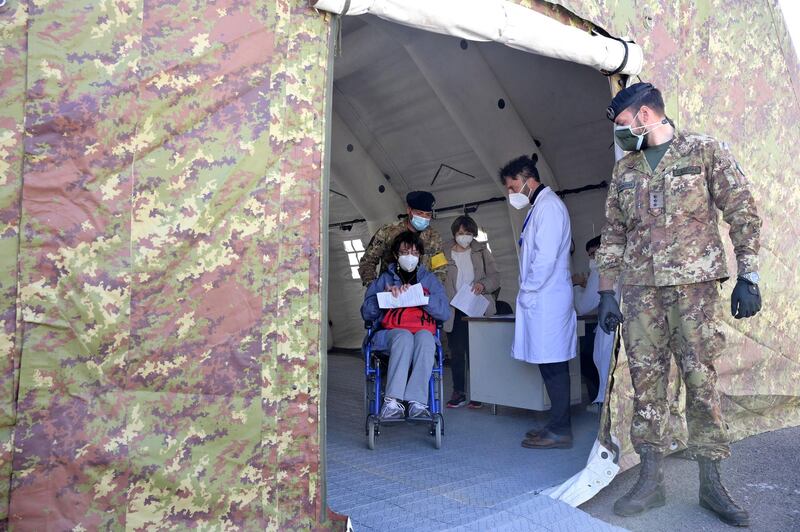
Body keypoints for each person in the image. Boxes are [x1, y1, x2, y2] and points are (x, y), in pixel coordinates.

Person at [597, 82, 762, 526]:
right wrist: (606, 292)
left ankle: (712, 483)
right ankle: (651, 481)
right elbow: (613, 233)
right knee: (646, 382)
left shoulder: (705, 151)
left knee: (700, 378)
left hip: (694, 291)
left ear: (646, 115)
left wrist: (749, 274)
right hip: (640, 291)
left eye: (622, 124)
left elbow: (742, 211)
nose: (620, 133)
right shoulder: (626, 170)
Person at [500, 154, 577, 449]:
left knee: (554, 365)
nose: (511, 193)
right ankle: (556, 424)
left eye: (511, 186)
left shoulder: (550, 208)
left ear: (526, 179)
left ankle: (560, 429)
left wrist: (528, 291)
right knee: (548, 365)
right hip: (542, 299)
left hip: (547, 298)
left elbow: (544, 260)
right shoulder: (539, 208)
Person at [361, 231, 451, 420]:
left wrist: (423, 298)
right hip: (389, 334)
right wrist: (384, 297)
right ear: (396, 255)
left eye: (415, 253)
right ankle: (392, 401)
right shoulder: (384, 280)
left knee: (427, 339)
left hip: (421, 332)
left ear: (420, 256)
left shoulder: (430, 280)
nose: (410, 257)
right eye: (405, 252)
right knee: (403, 336)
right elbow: (366, 313)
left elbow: (444, 312)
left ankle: (417, 402)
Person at [442, 215, 500, 409]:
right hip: (454, 308)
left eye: (468, 233)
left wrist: (482, 285)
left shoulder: (482, 251)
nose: (465, 237)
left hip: (476, 307)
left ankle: (478, 392)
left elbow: (495, 278)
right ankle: (458, 392)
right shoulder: (442, 252)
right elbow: (436, 277)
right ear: (454, 233)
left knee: (477, 352)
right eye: (461, 233)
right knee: (457, 352)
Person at [358, 191, 447, 286]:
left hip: (422, 292)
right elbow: (367, 262)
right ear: (409, 210)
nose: (424, 218)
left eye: (428, 215)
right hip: (391, 291)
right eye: (420, 213)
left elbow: (440, 267)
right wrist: (376, 287)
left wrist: (432, 289)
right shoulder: (387, 232)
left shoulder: (434, 237)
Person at [572, 236, 617, 411]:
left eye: (593, 253)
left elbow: (583, 306)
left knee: (596, 363)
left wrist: (576, 285)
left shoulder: (600, 269)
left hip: (609, 328)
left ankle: (600, 404)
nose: (592, 259)